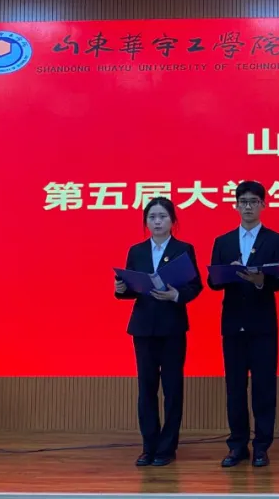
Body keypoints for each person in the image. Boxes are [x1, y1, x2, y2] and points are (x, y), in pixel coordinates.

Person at [114, 196, 203, 467]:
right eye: (152, 217)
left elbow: (195, 286)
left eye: (162, 216)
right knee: (147, 388)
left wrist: (176, 295)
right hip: (143, 327)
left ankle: (167, 448)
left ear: (172, 221)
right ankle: (148, 447)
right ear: (146, 222)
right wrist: (121, 290)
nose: (157, 222)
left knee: (172, 389)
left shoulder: (183, 249)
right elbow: (131, 288)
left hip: (172, 326)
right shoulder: (137, 251)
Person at [208, 180, 279, 468]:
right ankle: (237, 446)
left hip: (263, 324)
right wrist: (227, 274)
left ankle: (262, 447)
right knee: (235, 388)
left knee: (264, 388)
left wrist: (261, 280)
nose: (248, 207)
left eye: (253, 201)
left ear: (263, 205)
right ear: (236, 206)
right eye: (243, 202)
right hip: (233, 324)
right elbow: (213, 282)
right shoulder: (223, 241)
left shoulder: (276, 240)